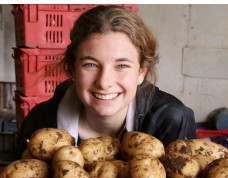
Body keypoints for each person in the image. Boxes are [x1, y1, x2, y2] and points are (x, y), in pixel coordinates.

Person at [16, 5, 196, 158]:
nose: (104, 82)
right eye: (91, 64)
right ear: (72, 69)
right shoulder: (39, 123)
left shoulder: (172, 119)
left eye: (122, 66)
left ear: (141, 72)